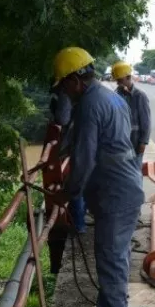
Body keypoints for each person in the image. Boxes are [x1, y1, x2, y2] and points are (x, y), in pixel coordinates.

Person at [52, 46, 144, 307]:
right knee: (113, 257)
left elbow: (85, 157)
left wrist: (68, 193)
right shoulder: (109, 96)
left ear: (76, 79)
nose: (65, 91)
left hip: (115, 193)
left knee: (112, 260)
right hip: (121, 187)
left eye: (64, 84)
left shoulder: (90, 105)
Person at [49, 85, 87, 234]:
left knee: (75, 181)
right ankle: (79, 220)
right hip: (82, 142)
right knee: (83, 182)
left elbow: (62, 119)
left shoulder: (65, 92)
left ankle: (78, 224)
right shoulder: (88, 94)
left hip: (75, 143)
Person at [112, 61, 151, 170]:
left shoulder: (140, 96)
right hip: (121, 143)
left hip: (135, 143)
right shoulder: (116, 95)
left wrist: (143, 142)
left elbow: (146, 122)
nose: (118, 83)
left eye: (120, 80)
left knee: (135, 172)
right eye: (117, 81)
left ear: (129, 77)